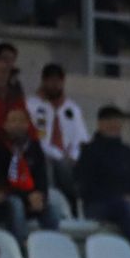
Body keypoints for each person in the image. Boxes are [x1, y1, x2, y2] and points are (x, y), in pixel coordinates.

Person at [74, 105, 130, 257]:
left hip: (129, 206)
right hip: (98, 205)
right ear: (100, 124)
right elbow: (85, 187)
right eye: (108, 121)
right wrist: (119, 198)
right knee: (126, 208)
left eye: (116, 121)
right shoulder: (89, 151)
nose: (113, 124)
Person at [26, 63, 87, 215]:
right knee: (53, 165)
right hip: (44, 156)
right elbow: (36, 138)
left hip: (69, 160)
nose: (54, 85)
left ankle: (74, 207)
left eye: (57, 81)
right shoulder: (32, 106)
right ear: (43, 81)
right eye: (50, 80)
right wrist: (58, 155)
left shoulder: (72, 109)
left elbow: (81, 139)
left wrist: (73, 156)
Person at [0, 106, 57, 241]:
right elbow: (0, 182)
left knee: (52, 209)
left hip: (30, 197)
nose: (17, 124)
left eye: (21, 120)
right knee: (16, 204)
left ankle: (54, 245)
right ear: (5, 125)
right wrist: (27, 196)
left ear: (27, 124)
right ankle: (21, 245)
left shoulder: (35, 147)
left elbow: (42, 177)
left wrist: (40, 195)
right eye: (13, 121)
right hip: (6, 198)